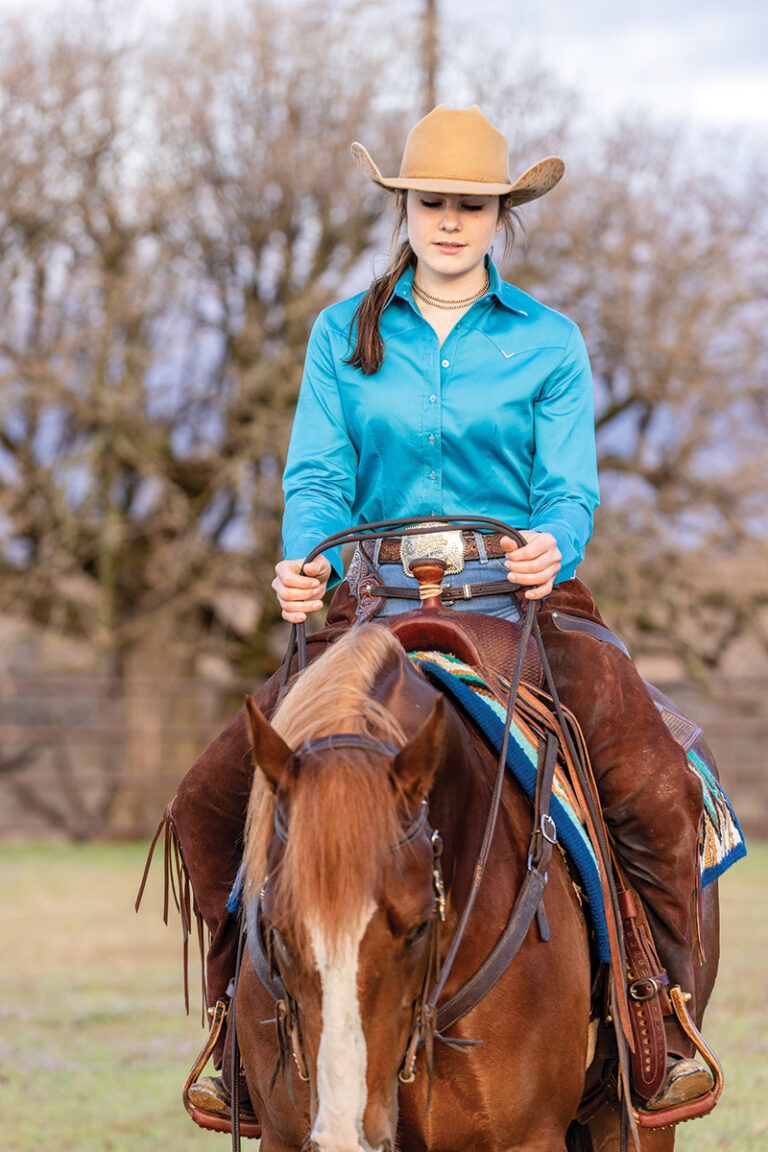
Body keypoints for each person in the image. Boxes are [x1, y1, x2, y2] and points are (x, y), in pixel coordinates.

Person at [172, 106, 714, 1126]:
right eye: (433, 203)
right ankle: (234, 1039)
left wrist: (555, 538)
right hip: (371, 603)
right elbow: (321, 473)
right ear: (405, 209)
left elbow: (569, 487)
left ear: (500, 215)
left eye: (472, 205)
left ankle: (658, 1016)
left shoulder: (549, 340)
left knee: (650, 775)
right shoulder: (345, 332)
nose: (451, 222)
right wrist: (307, 563)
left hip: (514, 602)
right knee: (209, 795)